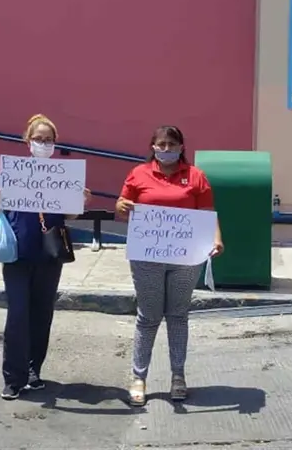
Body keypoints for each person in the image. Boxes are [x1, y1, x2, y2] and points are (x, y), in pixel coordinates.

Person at [115, 125, 223, 407]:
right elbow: (122, 207)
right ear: (152, 146)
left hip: (186, 257)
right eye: (161, 144)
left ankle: (178, 376)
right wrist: (122, 206)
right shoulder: (138, 174)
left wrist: (216, 239)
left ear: (181, 147)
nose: (166, 149)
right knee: (148, 316)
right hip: (147, 256)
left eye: (171, 144)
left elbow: (207, 213)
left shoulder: (196, 176)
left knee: (178, 315)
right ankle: (139, 378)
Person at [0, 114, 91, 401]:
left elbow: (69, 215)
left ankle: (34, 370)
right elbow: (1, 211)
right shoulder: (14, 172)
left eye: (48, 140)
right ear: (27, 141)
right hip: (17, 253)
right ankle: (13, 377)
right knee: (17, 314)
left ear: (55, 144)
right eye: (38, 139)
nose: (43, 144)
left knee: (42, 314)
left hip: (50, 253)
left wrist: (79, 201)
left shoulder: (63, 177)